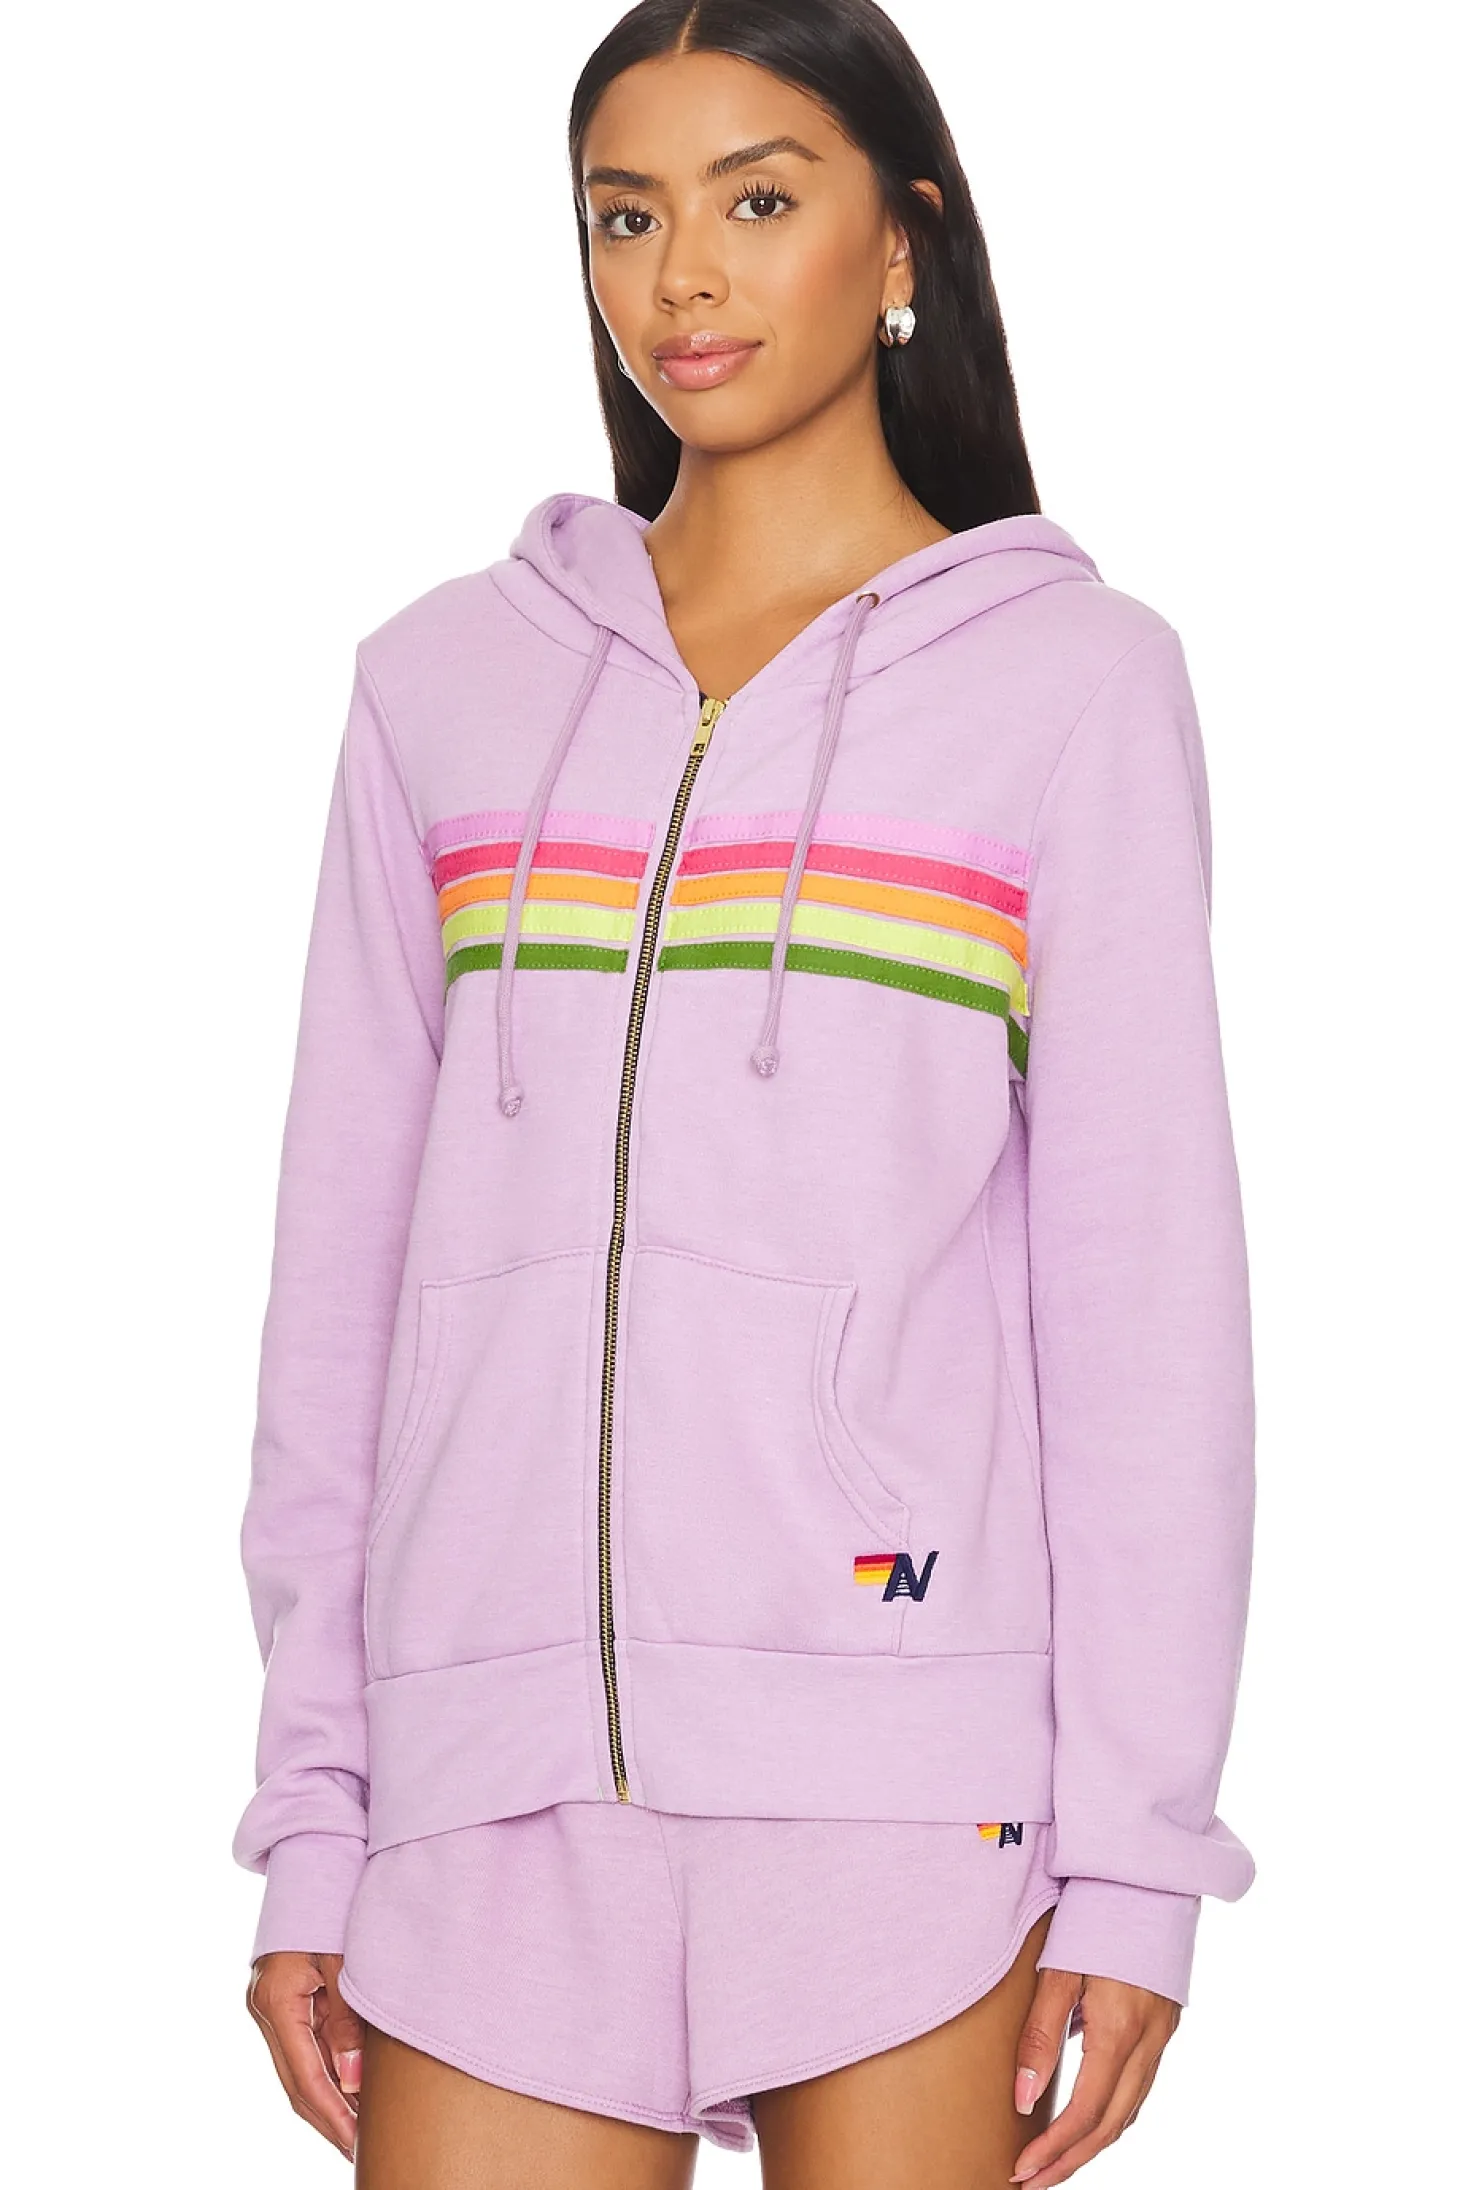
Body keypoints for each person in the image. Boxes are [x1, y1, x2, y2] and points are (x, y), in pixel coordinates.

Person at [234, 3, 1258, 2184]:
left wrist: (1134, 1859)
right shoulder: (443, 684)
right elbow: (338, 1293)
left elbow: (1144, 1314)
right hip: (487, 1786)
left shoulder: (1071, 689)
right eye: (625, 216)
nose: (681, 277)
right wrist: (317, 1810)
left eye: (757, 199)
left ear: (902, 239)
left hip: (905, 1777)